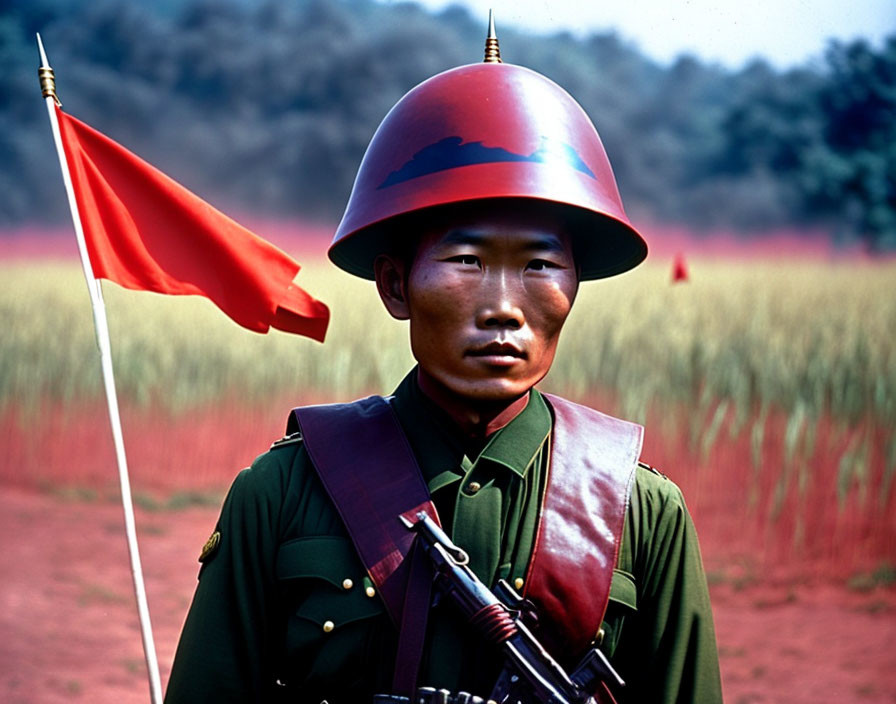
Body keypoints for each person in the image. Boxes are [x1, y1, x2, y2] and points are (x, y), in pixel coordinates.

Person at [165, 21, 722, 704]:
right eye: (466, 261)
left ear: (575, 285)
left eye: (540, 266)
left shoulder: (639, 509)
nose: (503, 307)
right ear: (396, 286)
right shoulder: (283, 493)